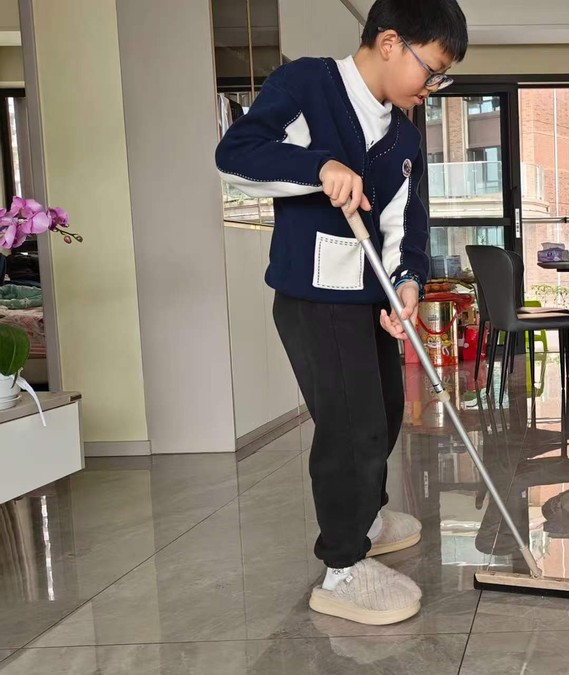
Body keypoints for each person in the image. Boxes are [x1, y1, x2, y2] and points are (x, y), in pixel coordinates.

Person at [214, 0, 468, 626]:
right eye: (431, 70)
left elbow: (405, 224)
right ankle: (342, 566)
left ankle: (368, 518)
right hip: (313, 297)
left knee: (384, 409)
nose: (431, 87)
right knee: (350, 426)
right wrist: (318, 167)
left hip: (366, 297)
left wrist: (406, 284)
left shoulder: (404, 135)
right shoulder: (307, 85)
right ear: (391, 42)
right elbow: (237, 155)